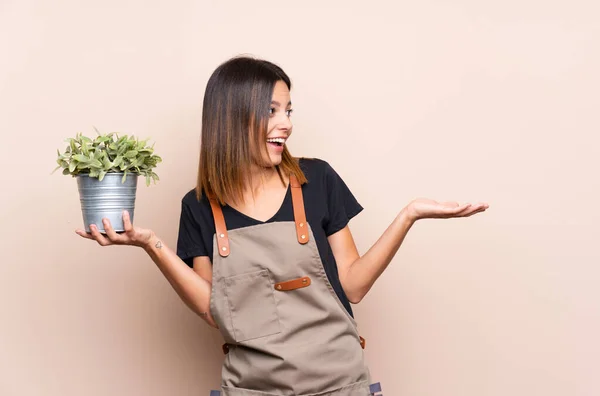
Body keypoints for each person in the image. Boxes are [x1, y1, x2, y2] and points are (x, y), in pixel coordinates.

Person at [76, 56, 489, 396]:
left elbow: (354, 286)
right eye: (272, 111)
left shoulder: (317, 181)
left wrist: (409, 215)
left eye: (288, 110)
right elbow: (211, 311)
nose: (286, 123)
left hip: (340, 385)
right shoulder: (200, 207)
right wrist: (151, 244)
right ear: (233, 117)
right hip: (252, 389)